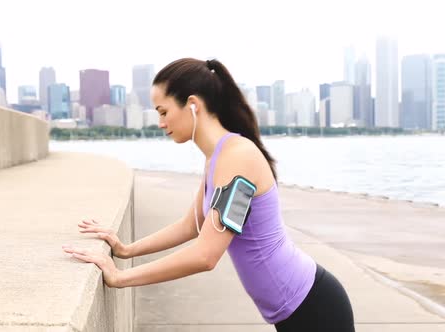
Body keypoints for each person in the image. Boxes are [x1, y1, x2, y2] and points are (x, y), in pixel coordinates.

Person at [63, 58, 355, 331]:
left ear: (192, 105)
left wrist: (121, 277)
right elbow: (192, 225)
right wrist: (127, 249)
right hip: (293, 310)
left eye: (164, 112)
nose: (161, 122)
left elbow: (206, 255)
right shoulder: (217, 158)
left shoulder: (238, 158)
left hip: (314, 308)